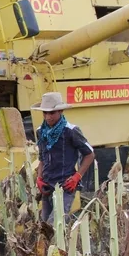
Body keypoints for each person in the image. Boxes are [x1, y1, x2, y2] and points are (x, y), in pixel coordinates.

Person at [32, 92, 95, 223]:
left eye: (52, 113)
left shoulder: (71, 131)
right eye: (45, 113)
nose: (48, 117)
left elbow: (89, 154)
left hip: (65, 185)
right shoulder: (40, 131)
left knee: (55, 225)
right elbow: (42, 157)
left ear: (60, 111)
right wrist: (39, 177)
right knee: (44, 226)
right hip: (47, 186)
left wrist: (77, 176)